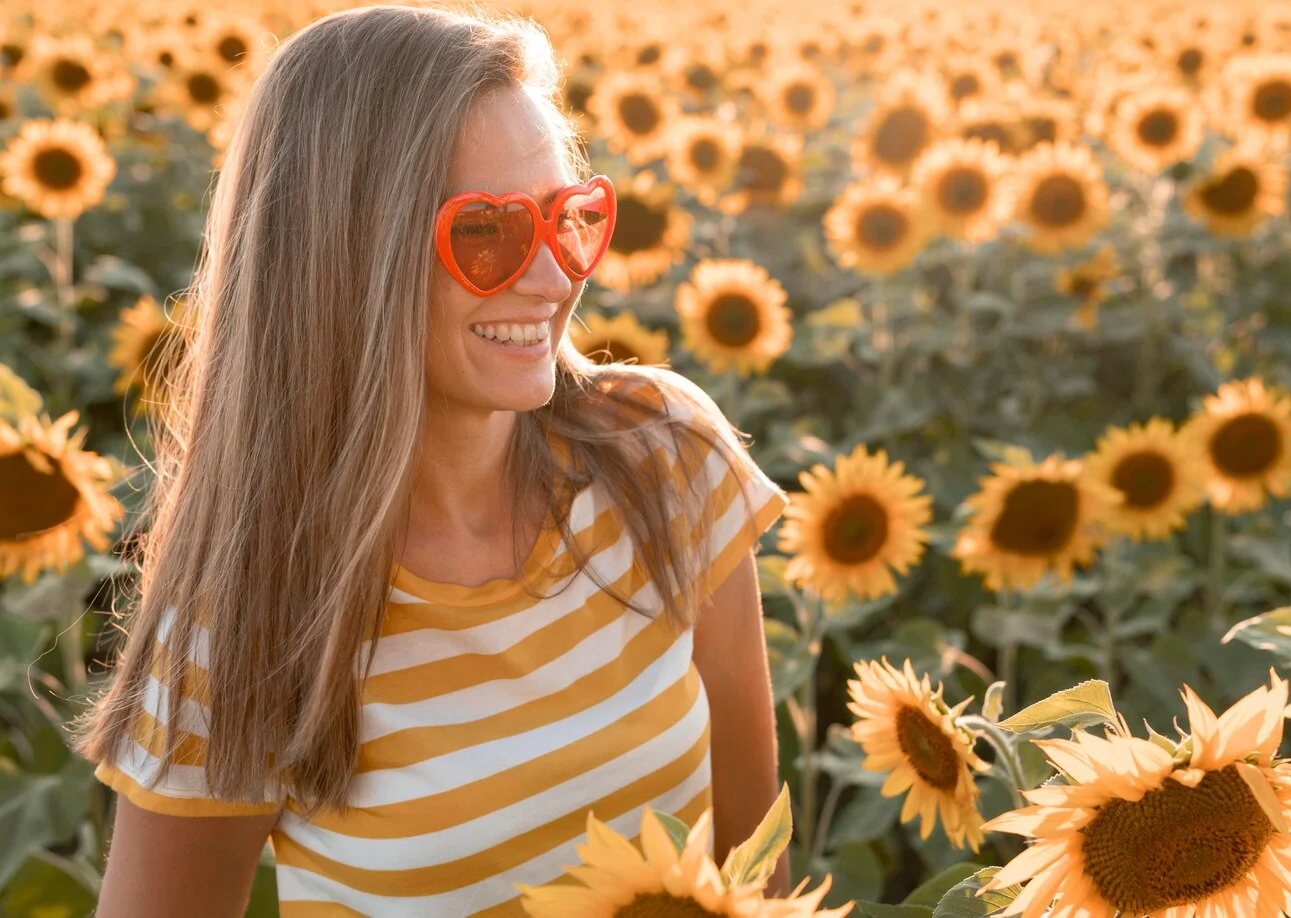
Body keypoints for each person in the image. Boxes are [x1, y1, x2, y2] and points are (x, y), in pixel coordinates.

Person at [70, 5, 792, 915]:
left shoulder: (664, 459)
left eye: (567, 216)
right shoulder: (253, 614)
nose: (553, 275)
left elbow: (758, 866)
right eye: (486, 231)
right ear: (347, 260)